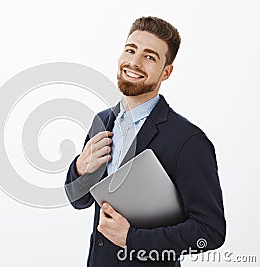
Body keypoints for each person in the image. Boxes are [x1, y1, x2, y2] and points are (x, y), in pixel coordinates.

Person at [65, 16, 226, 267]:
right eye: (130, 50)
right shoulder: (102, 121)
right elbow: (79, 201)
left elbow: (210, 231)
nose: (134, 62)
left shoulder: (188, 140)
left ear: (166, 72)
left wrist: (132, 239)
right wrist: (79, 168)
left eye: (149, 57)